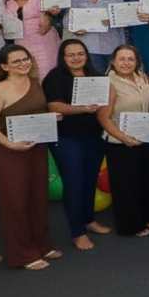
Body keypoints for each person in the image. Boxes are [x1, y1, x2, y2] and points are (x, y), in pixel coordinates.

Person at [0, 44, 60, 269]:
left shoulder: (34, 82)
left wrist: (51, 117)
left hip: (36, 149)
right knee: (15, 203)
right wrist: (10, 144)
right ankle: (23, 254)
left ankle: (42, 245)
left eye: (25, 59)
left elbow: (35, 114)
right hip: (9, 153)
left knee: (38, 199)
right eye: (16, 61)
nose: (23, 64)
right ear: (5, 66)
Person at [41, 39, 111, 249]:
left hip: (94, 137)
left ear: (87, 55)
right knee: (74, 184)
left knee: (89, 181)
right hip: (67, 138)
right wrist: (83, 108)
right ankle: (77, 232)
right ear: (63, 57)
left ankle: (89, 220)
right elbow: (54, 106)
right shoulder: (55, 77)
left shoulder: (96, 76)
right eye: (70, 55)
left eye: (80, 53)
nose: (76, 58)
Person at [96, 44, 149, 237]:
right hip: (120, 141)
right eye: (122, 59)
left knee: (148, 179)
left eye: (131, 59)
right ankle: (130, 226)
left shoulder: (143, 77)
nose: (126, 63)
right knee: (127, 186)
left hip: (146, 137)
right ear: (113, 62)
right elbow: (103, 117)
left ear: (136, 62)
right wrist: (123, 137)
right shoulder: (109, 83)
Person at [0, 0, 58, 80]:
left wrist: (49, 14)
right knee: (27, 76)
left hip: (44, 42)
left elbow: (55, 12)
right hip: (21, 43)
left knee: (46, 74)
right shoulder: (7, 1)